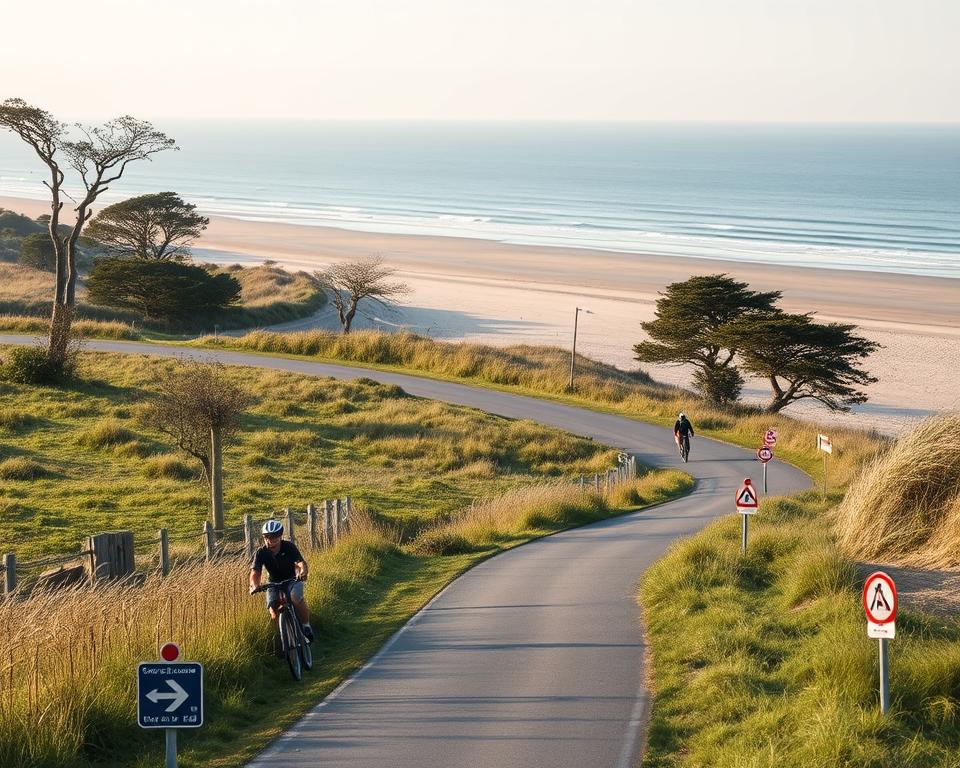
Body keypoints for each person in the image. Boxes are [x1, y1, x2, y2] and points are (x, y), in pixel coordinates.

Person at [249, 519, 314, 642]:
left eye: (273, 537)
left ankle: (306, 626)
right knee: (273, 611)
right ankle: (287, 636)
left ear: (280, 537)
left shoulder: (289, 546)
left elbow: (300, 563)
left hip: (292, 579)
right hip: (273, 582)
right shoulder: (261, 552)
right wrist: (254, 585)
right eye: (266, 537)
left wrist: (303, 572)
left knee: (295, 597)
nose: (270, 540)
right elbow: (255, 572)